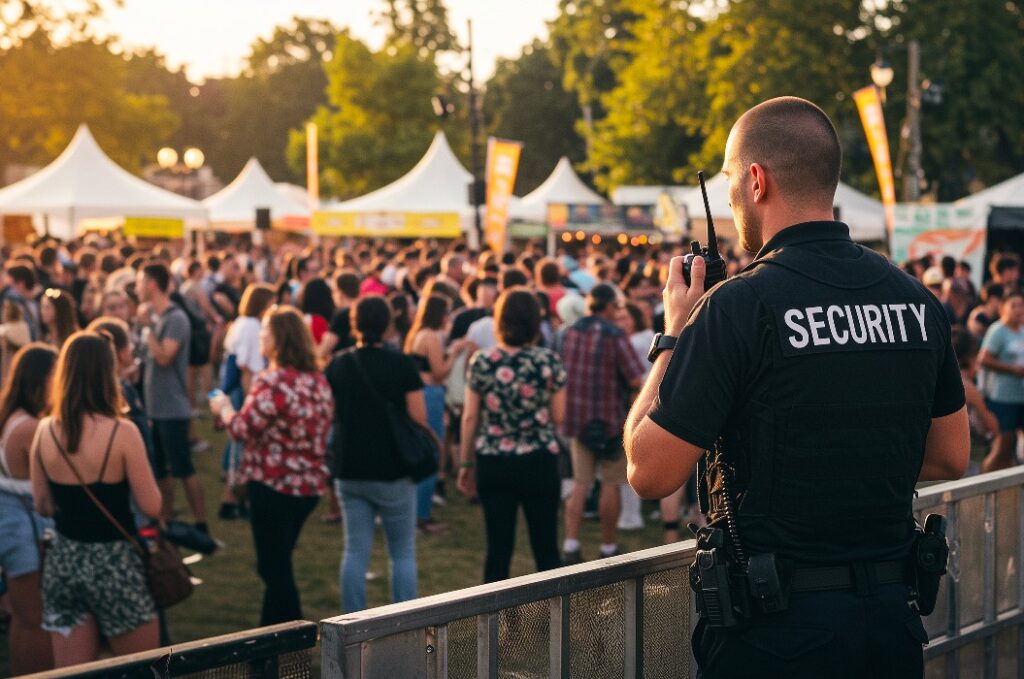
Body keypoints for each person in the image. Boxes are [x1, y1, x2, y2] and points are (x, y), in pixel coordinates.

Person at [625, 97, 969, 678]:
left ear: (757, 180)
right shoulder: (915, 299)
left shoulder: (736, 307)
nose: (732, 197)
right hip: (888, 625)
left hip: (774, 634)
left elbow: (648, 472)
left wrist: (673, 337)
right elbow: (951, 456)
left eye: (731, 180)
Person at [30, 332, 163, 666]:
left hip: (64, 560)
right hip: (114, 562)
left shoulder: (45, 430)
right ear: (107, 374)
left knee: (74, 672)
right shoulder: (123, 432)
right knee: (141, 668)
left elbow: (42, 504)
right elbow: (152, 506)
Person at [211, 306, 332, 625]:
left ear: (278, 339)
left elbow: (241, 428)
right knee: (278, 562)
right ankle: (272, 636)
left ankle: (291, 640)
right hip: (308, 488)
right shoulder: (317, 381)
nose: (261, 336)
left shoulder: (274, 381)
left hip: (274, 486)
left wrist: (224, 409)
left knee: (273, 569)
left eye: (265, 331)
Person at [325, 296, 428, 612]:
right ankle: (405, 619)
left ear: (354, 325)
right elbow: (419, 418)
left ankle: (352, 621)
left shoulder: (338, 365)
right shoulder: (401, 365)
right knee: (402, 551)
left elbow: (330, 413)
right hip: (394, 466)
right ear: (388, 325)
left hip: (351, 466)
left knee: (355, 550)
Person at [457, 288, 567, 582]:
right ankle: (554, 620)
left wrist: (465, 464)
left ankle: (495, 624)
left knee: (498, 550)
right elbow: (559, 416)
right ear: (534, 321)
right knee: (546, 548)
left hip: (494, 460)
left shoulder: (482, 361)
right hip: (539, 458)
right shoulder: (548, 361)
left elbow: (470, 417)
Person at [558, 283, 647, 563]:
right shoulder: (615, 335)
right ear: (608, 307)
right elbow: (635, 378)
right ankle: (608, 546)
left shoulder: (568, 332)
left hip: (579, 421)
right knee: (611, 485)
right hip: (611, 421)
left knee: (580, 483)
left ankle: (571, 544)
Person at [137, 263, 209, 531]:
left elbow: (165, 356)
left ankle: (201, 524)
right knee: (160, 469)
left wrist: (147, 329)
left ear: (152, 284)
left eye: (139, 282)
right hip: (155, 407)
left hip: (173, 407)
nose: (137, 288)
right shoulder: (157, 318)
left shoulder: (175, 318)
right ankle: (165, 520)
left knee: (183, 467)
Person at [0, 344, 58, 674]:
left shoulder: (12, 417)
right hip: (22, 532)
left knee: (23, 619)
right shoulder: (29, 428)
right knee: (35, 620)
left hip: (12, 528)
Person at [404, 294, 471, 533]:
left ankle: (417, 513)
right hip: (430, 393)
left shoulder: (416, 334)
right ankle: (421, 516)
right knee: (433, 451)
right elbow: (440, 371)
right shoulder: (431, 336)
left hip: (420, 392)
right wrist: (454, 352)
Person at [217, 283, 276, 520]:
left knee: (238, 444)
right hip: (246, 388)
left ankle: (233, 498)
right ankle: (234, 500)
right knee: (243, 447)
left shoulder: (241, 323)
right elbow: (246, 365)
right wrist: (252, 397)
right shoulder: (252, 326)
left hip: (237, 389)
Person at [978, 292, 1024, 472]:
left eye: (1021, 305)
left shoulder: (1021, 329)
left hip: (1020, 395)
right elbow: (984, 359)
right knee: (1003, 445)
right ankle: (983, 483)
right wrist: (1013, 369)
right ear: (1003, 308)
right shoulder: (998, 330)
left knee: (1013, 446)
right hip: (1002, 396)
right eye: (1014, 305)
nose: (1019, 310)